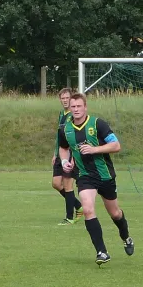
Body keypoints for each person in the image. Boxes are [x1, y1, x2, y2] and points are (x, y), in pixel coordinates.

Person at [58, 93, 134, 266]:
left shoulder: (98, 124)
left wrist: (94, 149)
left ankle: (126, 237)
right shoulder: (65, 129)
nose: (76, 110)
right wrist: (64, 161)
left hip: (105, 175)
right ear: (69, 108)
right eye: (73, 107)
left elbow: (116, 145)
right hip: (85, 177)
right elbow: (63, 148)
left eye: (79, 106)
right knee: (88, 209)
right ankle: (102, 251)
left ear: (85, 107)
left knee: (115, 213)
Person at [51, 87, 83, 225]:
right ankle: (78, 206)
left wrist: (72, 156)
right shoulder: (62, 114)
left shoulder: (74, 115)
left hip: (70, 154)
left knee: (68, 185)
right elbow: (59, 136)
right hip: (60, 153)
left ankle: (69, 217)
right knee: (56, 184)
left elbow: (75, 136)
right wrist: (55, 153)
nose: (65, 100)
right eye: (62, 98)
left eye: (67, 98)